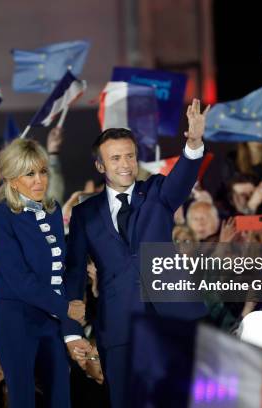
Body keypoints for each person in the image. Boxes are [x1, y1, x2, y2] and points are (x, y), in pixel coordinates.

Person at [63, 100, 210, 407]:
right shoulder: (84, 214)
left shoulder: (157, 191)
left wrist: (193, 142)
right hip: (119, 327)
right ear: (101, 166)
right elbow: (75, 275)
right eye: (115, 158)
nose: (125, 164)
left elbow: (181, 180)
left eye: (130, 155)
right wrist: (72, 330)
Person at [0, 138, 86, 408]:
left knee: (61, 400)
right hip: (17, 324)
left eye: (43, 171)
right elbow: (19, 279)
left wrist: (69, 328)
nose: (39, 180)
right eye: (30, 174)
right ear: (11, 178)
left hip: (50, 323)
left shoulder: (52, 212)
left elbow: (59, 276)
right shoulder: (0, 217)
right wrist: (65, 308)